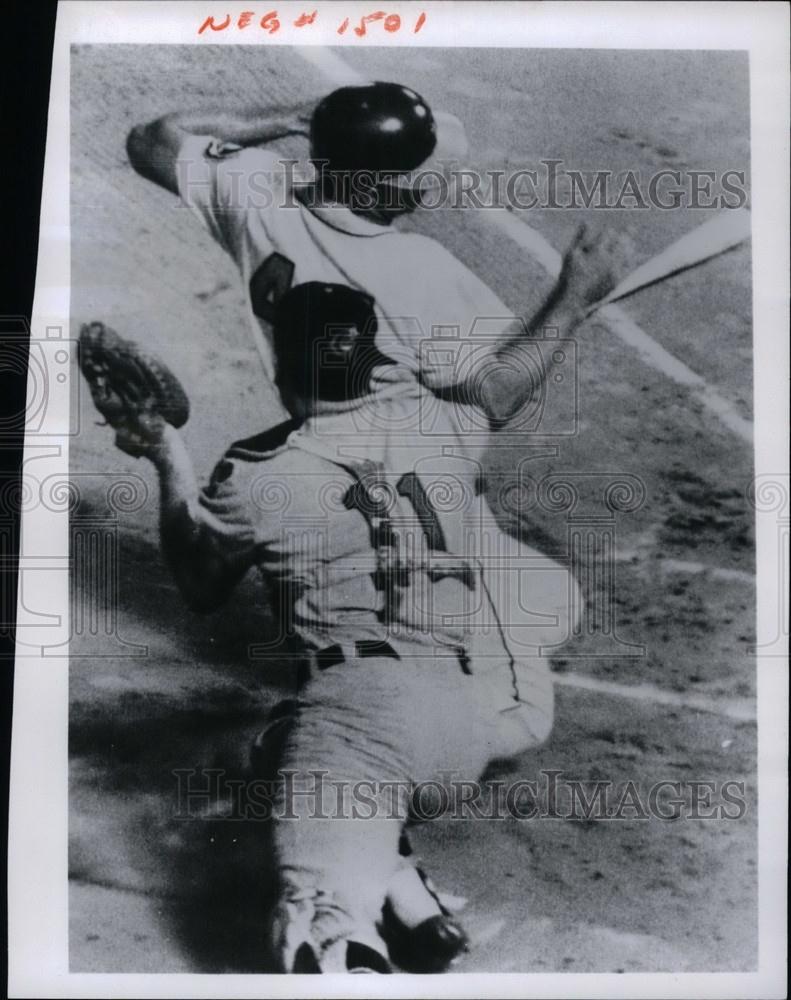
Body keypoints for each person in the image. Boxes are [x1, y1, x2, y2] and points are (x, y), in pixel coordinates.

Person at [107, 243, 622, 970]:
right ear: (373, 361)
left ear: (282, 369)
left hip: (365, 728)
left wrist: (165, 456)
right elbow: (503, 385)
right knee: (285, 739)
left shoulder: (257, 479)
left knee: (323, 933)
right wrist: (574, 292)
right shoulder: (445, 425)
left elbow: (199, 582)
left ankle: (356, 902)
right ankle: (404, 891)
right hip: (484, 716)